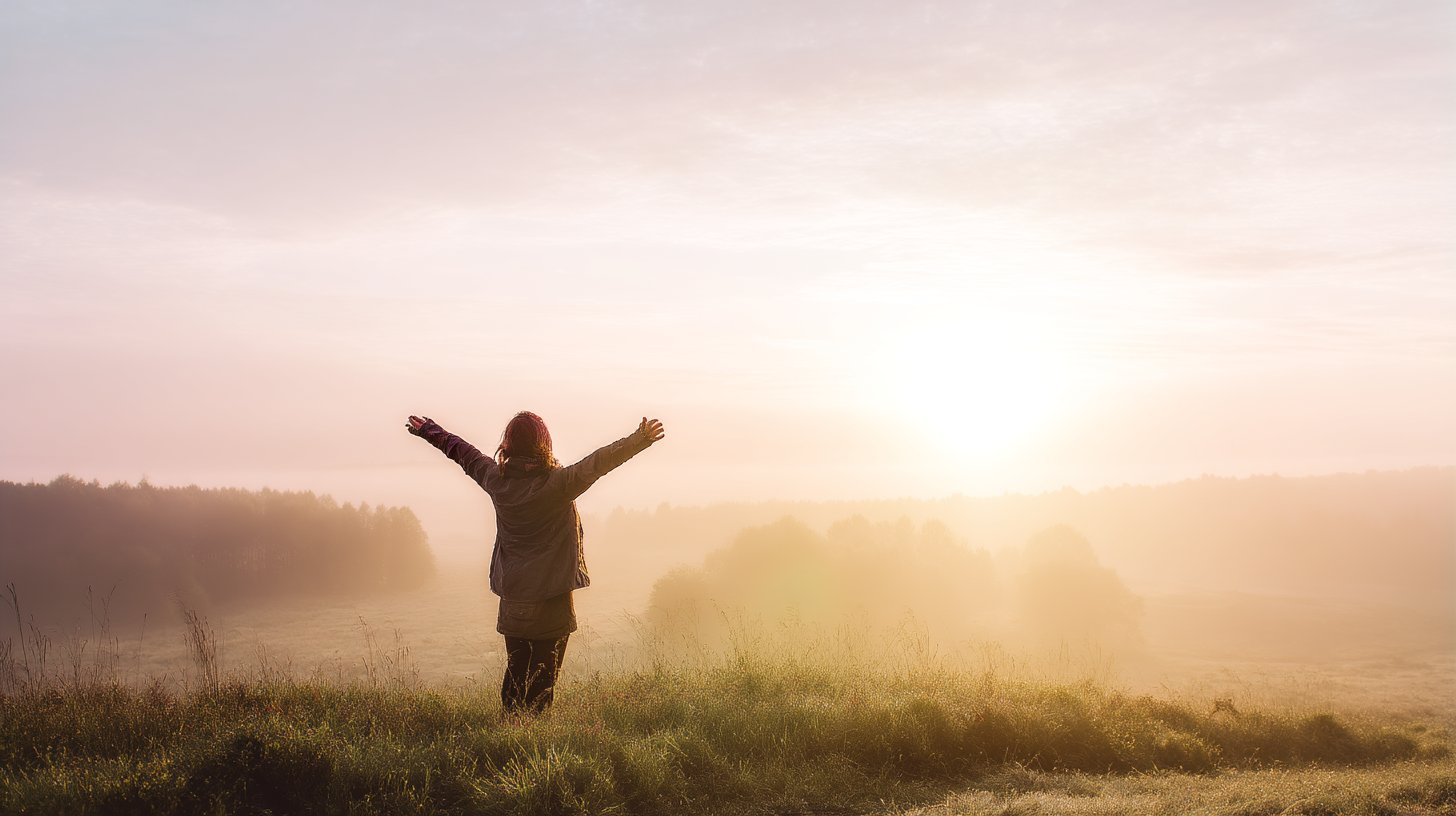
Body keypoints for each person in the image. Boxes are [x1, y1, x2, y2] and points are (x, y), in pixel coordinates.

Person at [406, 411, 664, 714]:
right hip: (553, 600)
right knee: (542, 687)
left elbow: (464, 453)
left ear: (508, 445)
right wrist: (640, 439)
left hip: (514, 598)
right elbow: (599, 463)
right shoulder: (559, 484)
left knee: (516, 678)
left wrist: (430, 431)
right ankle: (531, 746)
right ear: (544, 443)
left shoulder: (495, 480)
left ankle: (509, 738)